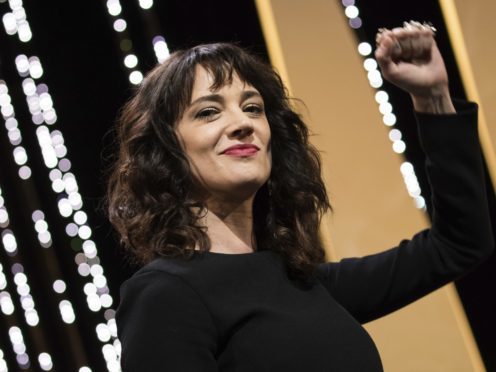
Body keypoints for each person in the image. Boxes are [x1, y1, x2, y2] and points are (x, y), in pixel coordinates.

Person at [107, 21, 494, 371]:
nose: (242, 123)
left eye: (252, 108)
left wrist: (433, 97)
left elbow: (459, 243)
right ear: (164, 152)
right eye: (209, 112)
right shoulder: (164, 294)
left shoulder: (305, 282)